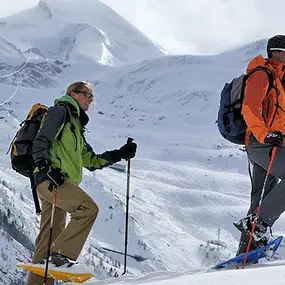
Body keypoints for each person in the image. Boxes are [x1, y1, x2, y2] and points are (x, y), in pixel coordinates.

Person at [27, 81, 137, 285]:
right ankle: (60, 256)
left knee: (48, 239)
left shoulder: (75, 125)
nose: (91, 99)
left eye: (92, 96)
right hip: (51, 180)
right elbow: (41, 140)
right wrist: (46, 168)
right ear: (73, 94)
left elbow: (92, 161)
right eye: (87, 94)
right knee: (88, 209)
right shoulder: (60, 112)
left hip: (55, 182)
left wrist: (120, 154)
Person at [234, 35, 285, 255]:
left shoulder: (279, 79)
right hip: (261, 143)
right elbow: (249, 108)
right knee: (261, 209)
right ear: (276, 52)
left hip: (271, 142)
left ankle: (246, 252)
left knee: (260, 199)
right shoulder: (261, 75)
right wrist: (265, 135)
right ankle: (260, 227)